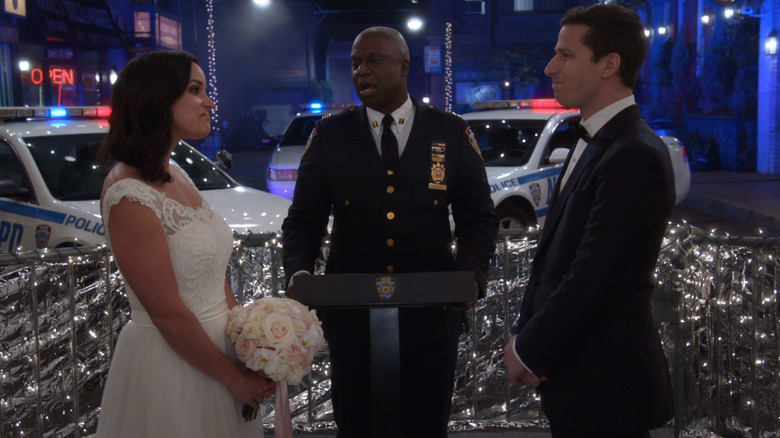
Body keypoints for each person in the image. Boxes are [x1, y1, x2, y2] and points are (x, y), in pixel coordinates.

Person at [282, 26, 498, 437]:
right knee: (357, 424)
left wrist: (469, 276)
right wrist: (299, 274)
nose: (361, 71)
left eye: (373, 61)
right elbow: (303, 220)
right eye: (355, 64)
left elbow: (479, 218)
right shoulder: (330, 135)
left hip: (431, 316)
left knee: (425, 424)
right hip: (352, 318)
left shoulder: (450, 132)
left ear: (404, 67)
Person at [503, 5, 675, 438]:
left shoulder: (634, 154)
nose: (550, 67)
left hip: (608, 383)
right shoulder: (598, 141)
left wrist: (529, 347)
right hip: (576, 374)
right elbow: (555, 261)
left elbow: (595, 274)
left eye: (566, 55)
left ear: (609, 65)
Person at [95, 50, 275, 437]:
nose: (209, 102)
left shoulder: (177, 174)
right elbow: (167, 314)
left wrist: (248, 342)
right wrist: (234, 380)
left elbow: (213, 273)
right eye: (195, 90)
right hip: (173, 365)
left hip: (220, 354)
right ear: (157, 98)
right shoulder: (128, 193)